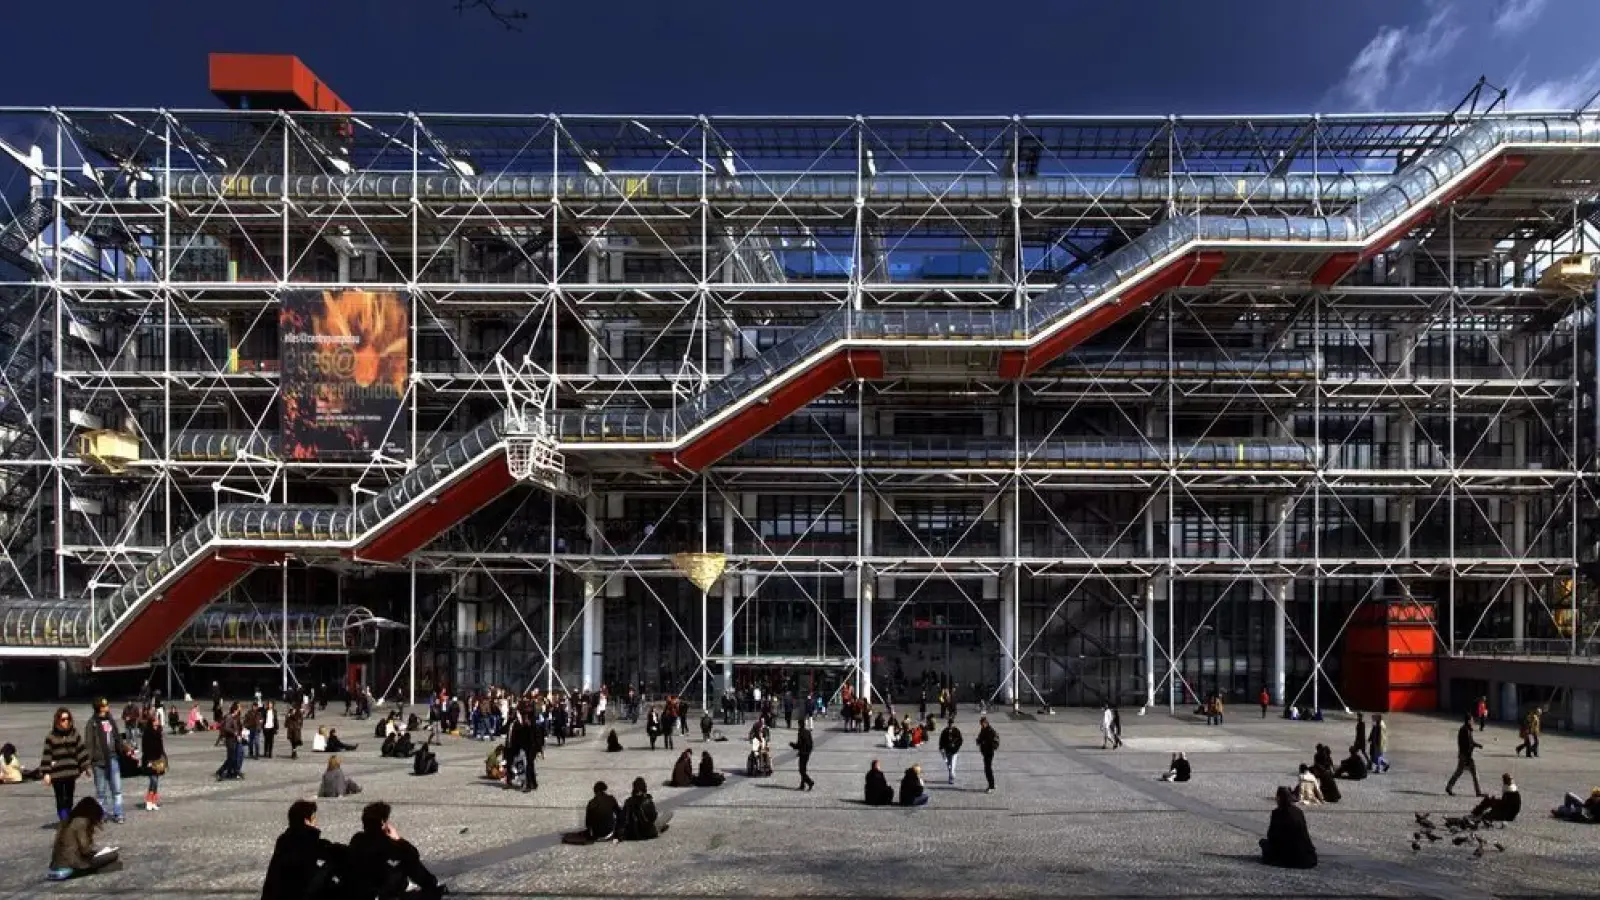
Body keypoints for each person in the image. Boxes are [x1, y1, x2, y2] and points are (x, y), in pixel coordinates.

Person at [344, 802, 444, 900]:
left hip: (361, 887)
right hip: (381, 888)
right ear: (382, 822)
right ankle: (431, 885)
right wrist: (398, 839)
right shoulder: (383, 841)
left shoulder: (357, 838)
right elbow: (413, 855)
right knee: (409, 862)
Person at [262, 799, 346, 900]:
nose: (316, 822)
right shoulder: (310, 842)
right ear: (306, 821)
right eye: (314, 818)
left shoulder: (284, 841)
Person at [47, 797, 119, 881]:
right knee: (113, 855)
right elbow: (85, 849)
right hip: (70, 865)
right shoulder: (81, 822)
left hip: (54, 867)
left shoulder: (66, 821)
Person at [84, 698, 130, 823]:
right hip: (98, 761)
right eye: (105, 705)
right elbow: (89, 744)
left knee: (117, 789)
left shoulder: (110, 720)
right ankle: (101, 814)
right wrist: (87, 764)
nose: (108, 706)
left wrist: (125, 748)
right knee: (101, 791)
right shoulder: (92, 723)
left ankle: (118, 813)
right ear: (100, 707)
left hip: (113, 758)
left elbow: (117, 738)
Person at [41, 707, 90, 822]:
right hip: (57, 773)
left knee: (69, 798)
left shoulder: (74, 734)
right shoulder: (51, 736)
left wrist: (86, 766)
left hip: (71, 771)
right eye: (63, 719)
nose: (66, 722)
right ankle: (64, 820)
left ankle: (67, 816)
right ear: (57, 720)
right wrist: (46, 773)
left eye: (68, 719)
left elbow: (81, 751)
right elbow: (47, 754)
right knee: (60, 798)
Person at [1260, 785, 1317, 868]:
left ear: (1278, 798)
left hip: (1289, 856)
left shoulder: (1277, 813)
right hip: (1307, 856)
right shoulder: (1298, 811)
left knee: (1263, 843)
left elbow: (1272, 835)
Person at [1446, 713, 1484, 797]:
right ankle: (1478, 792)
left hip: (1465, 755)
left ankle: (1449, 787)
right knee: (1465, 773)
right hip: (1466, 755)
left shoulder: (1467, 729)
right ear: (1468, 721)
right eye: (1472, 720)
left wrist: (1477, 745)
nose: (1473, 721)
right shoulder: (1465, 730)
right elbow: (1467, 744)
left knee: (1461, 772)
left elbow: (1471, 742)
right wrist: (1468, 758)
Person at [141, 712, 166, 812]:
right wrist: (148, 760)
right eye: (156, 720)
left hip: (158, 759)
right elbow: (145, 748)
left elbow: (161, 746)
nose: (158, 721)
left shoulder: (158, 731)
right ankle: (148, 801)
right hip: (149, 759)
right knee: (153, 780)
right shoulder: (147, 733)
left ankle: (153, 802)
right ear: (152, 722)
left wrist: (163, 756)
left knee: (156, 781)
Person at [976, 716, 999, 793]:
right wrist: (979, 741)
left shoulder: (990, 731)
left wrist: (987, 744)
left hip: (989, 752)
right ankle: (991, 784)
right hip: (985, 752)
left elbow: (994, 742)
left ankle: (991, 786)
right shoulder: (984, 730)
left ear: (986, 723)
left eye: (982, 724)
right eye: (981, 724)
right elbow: (980, 738)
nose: (981, 725)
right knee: (987, 769)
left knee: (988, 769)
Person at [939, 718, 963, 785]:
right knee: (949, 765)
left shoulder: (956, 731)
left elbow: (960, 740)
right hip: (947, 751)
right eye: (949, 723)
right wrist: (941, 748)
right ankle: (951, 774)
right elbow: (941, 741)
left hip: (954, 751)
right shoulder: (945, 731)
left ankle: (951, 777)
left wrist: (955, 745)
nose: (950, 724)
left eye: (951, 723)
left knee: (952, 765)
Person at [794, 720, 815, 791]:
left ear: (799, 725)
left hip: (803, 753)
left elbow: (799, 744)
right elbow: (811, 743)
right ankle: (802, 785)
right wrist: (809, 751)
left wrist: (792, 745)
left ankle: (810, 782)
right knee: (803, 770)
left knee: (801, 771)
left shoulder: (801, 732)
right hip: (807, 753)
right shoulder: (808, 732)